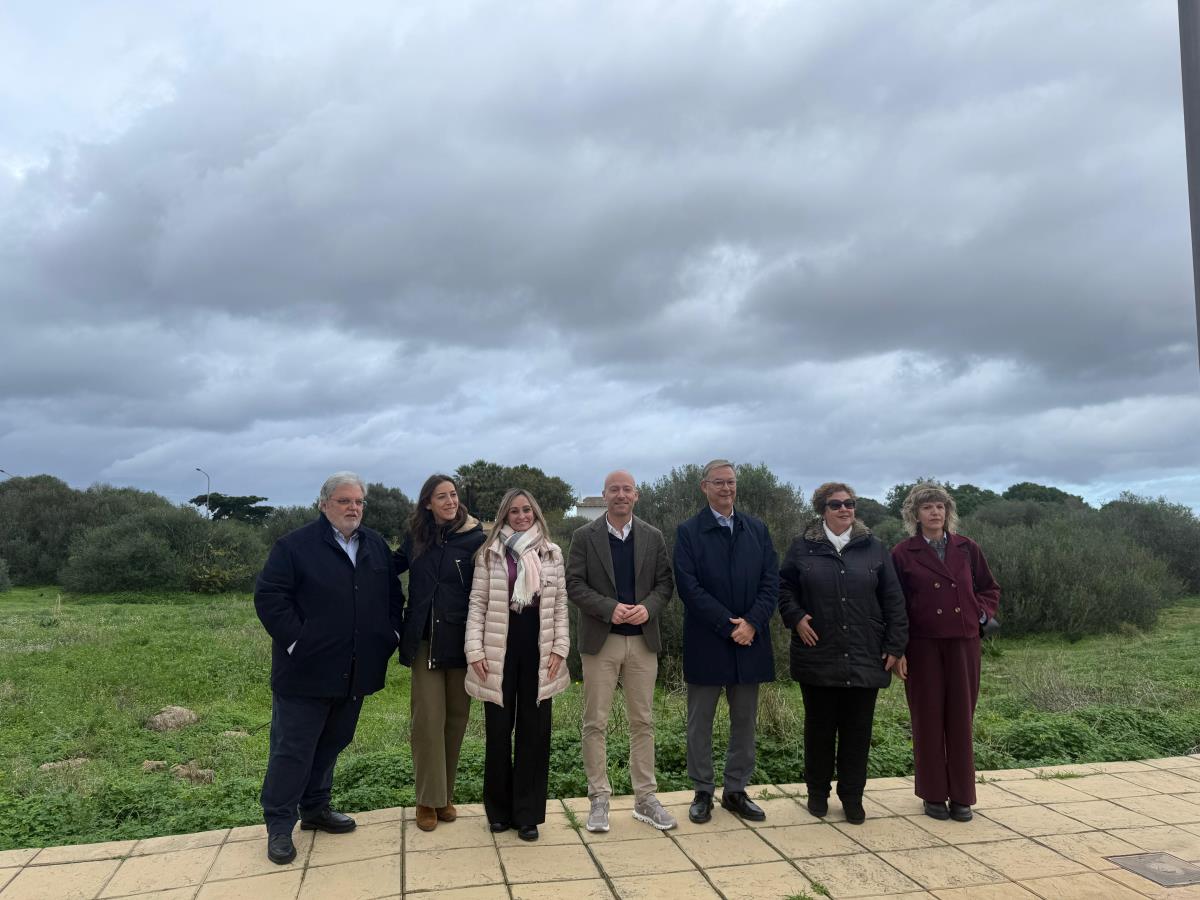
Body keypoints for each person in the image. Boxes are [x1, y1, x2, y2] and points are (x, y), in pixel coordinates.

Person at [254, 472, 403, 864]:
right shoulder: (294, 546)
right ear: (324, 504)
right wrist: (298, 642)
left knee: (333, 742)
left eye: (358, 502)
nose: (353, 508)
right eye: (344, 501)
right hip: (305, 671)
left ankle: (316, 809)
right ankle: (279, 826)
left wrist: (390, 635)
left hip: (355, 670)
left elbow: (392, 595)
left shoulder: (373, 545)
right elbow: (270, 597)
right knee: (293, 750)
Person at [777, 482, 907, 825]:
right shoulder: (802, 548)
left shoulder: (875, 548)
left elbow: (893, 599)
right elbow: (783, 588)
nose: (844, 509)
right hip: (817, 650)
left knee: (858, 730)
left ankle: (852, 796)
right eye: (836, 505)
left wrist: (895, 645)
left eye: (850, 503)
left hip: (865, 653)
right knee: (819, 728)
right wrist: (796, 616)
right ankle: (817, 793)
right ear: (823, 509)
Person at [567, 470, 677, 833]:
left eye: (626, 489)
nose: (620, 495)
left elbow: (665, 583)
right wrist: (608, 607)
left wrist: (649, 607)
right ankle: (599, 799)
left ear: (636, 495)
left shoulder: (653, 536)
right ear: (603, 495)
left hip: (642, 641)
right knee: (594, 722)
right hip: (601, 641)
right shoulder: (585, 536)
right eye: (614, 489)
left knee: (642, 721)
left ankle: (645, 798)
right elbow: (575, 584)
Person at [673, 459, 779, 825]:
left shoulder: (757, 529)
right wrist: (727, 623)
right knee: (699, 722)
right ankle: (703, 791)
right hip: (708, 640)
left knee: (744, 722)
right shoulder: (688, 532)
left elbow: (771, 582)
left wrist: (751, 622)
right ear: (704, 487)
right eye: (718, 483)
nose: (726, 489)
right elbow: (688, 587)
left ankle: (736, 791)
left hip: (750, 641)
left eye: (731, 482)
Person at [464, 488, 570, 841]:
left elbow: (560, 607)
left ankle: (527, 816)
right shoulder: (489, 555)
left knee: (534, 734)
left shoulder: (551, 553)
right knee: (497, 733)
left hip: (539, 652)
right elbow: (477, 603)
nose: (522, 516)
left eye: (527, 510)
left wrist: (560, 648)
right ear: (504, 517)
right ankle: (498, 811)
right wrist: (474, 651)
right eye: (514, 512)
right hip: (498, 652)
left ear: (536, 514)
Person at [892, 482, 1000, 823]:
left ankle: (963, 796)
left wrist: (979, 613)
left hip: (964, 643)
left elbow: (989, 588)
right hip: (922, 646)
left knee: (960, 718)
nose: (935, 512)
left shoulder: (968, 548)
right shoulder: (902, 553)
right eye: (927, 507)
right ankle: (933, 794)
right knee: (927, 719)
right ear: (915, 515)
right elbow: (895, 605)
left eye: (940, 506)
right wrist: (899, 651)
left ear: (948, 512)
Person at [393, 474, 486, 832]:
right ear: (427, 503)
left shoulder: (476, 539)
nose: (449, 501)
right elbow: (389, 568)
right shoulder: (416, 537)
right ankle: (426, 801)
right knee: (427, 723)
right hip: (425, 642)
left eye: (453, 494)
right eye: (441, 496)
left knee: (456, 721)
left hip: (463, 644)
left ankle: (445, 796)